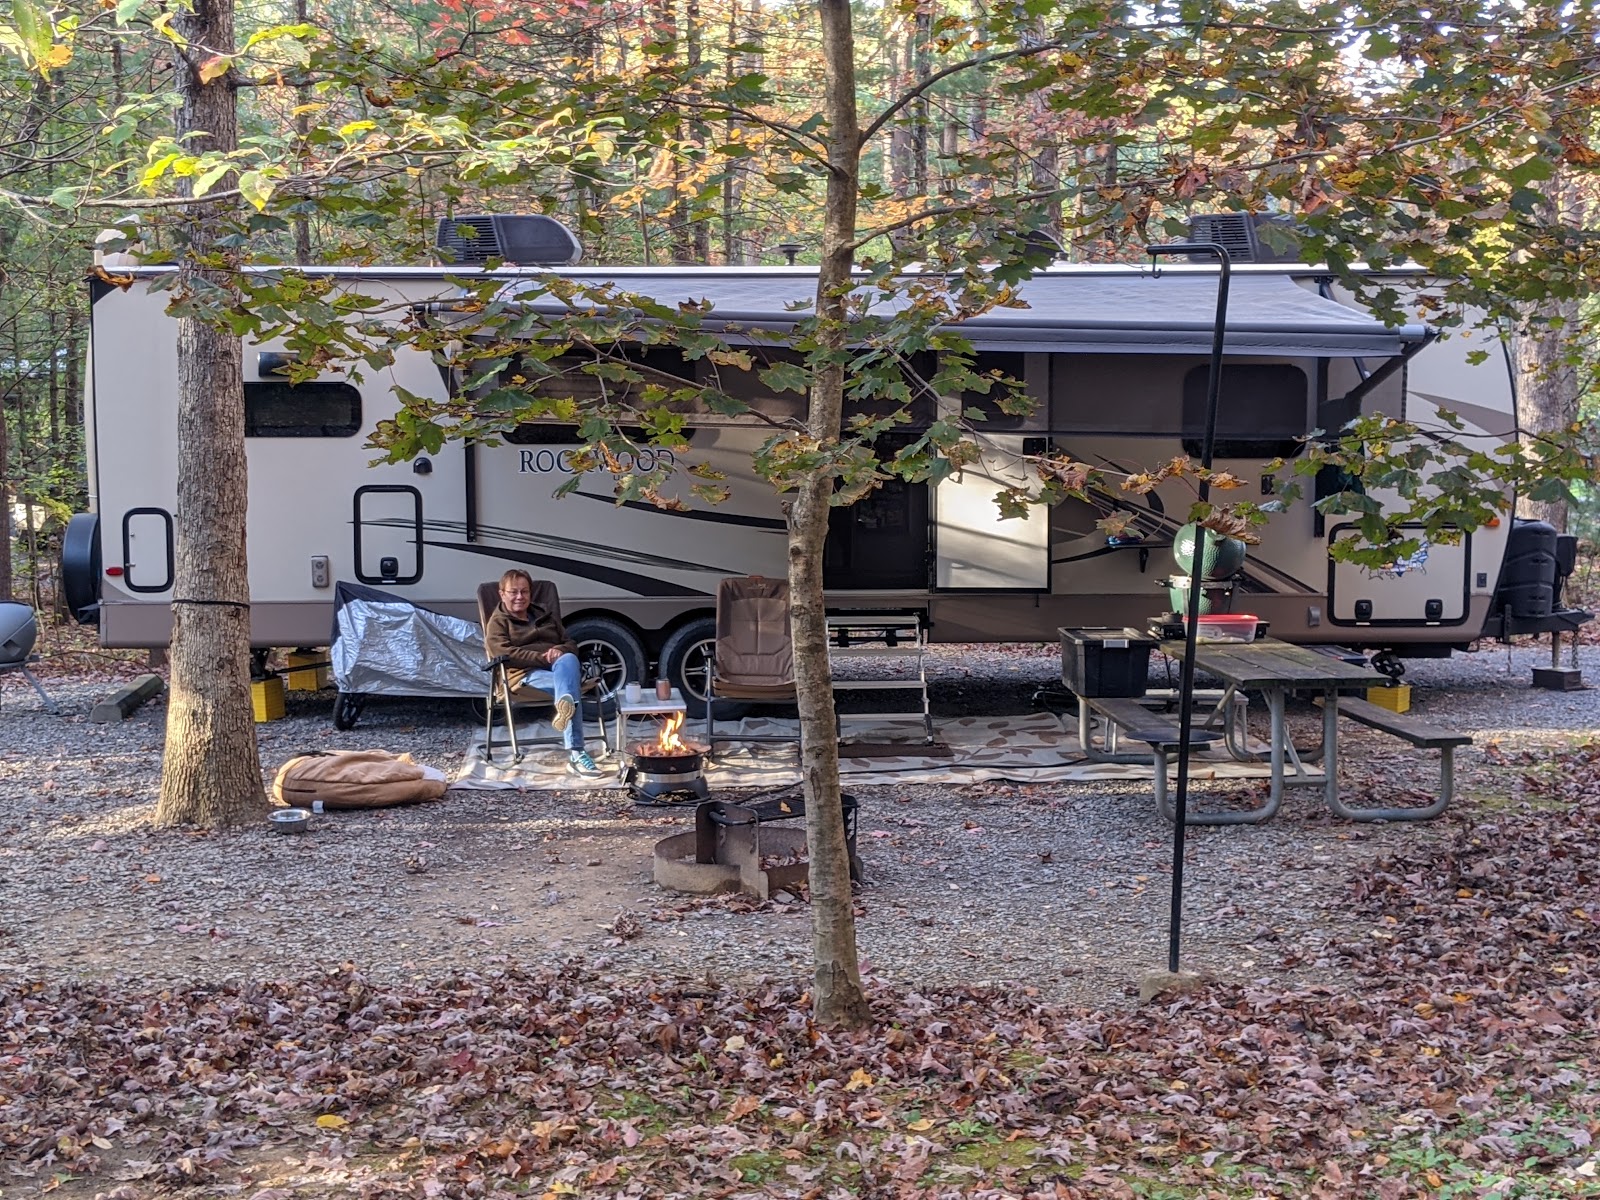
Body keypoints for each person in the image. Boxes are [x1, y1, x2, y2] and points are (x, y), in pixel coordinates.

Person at [484, 569, 604, 777]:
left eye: (524, 592)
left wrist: (560, 651)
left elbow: (570, 643)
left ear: (531, 593)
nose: (520, 597)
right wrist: (542, 657)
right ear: (502, 594)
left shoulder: (544, 615)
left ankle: (566, 707)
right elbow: (504, 652)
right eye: (513, 592)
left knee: (568, 660)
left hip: (559, 668)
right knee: (569, 689)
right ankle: (576, 753)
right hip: (525, 675)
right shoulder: (498, 623)